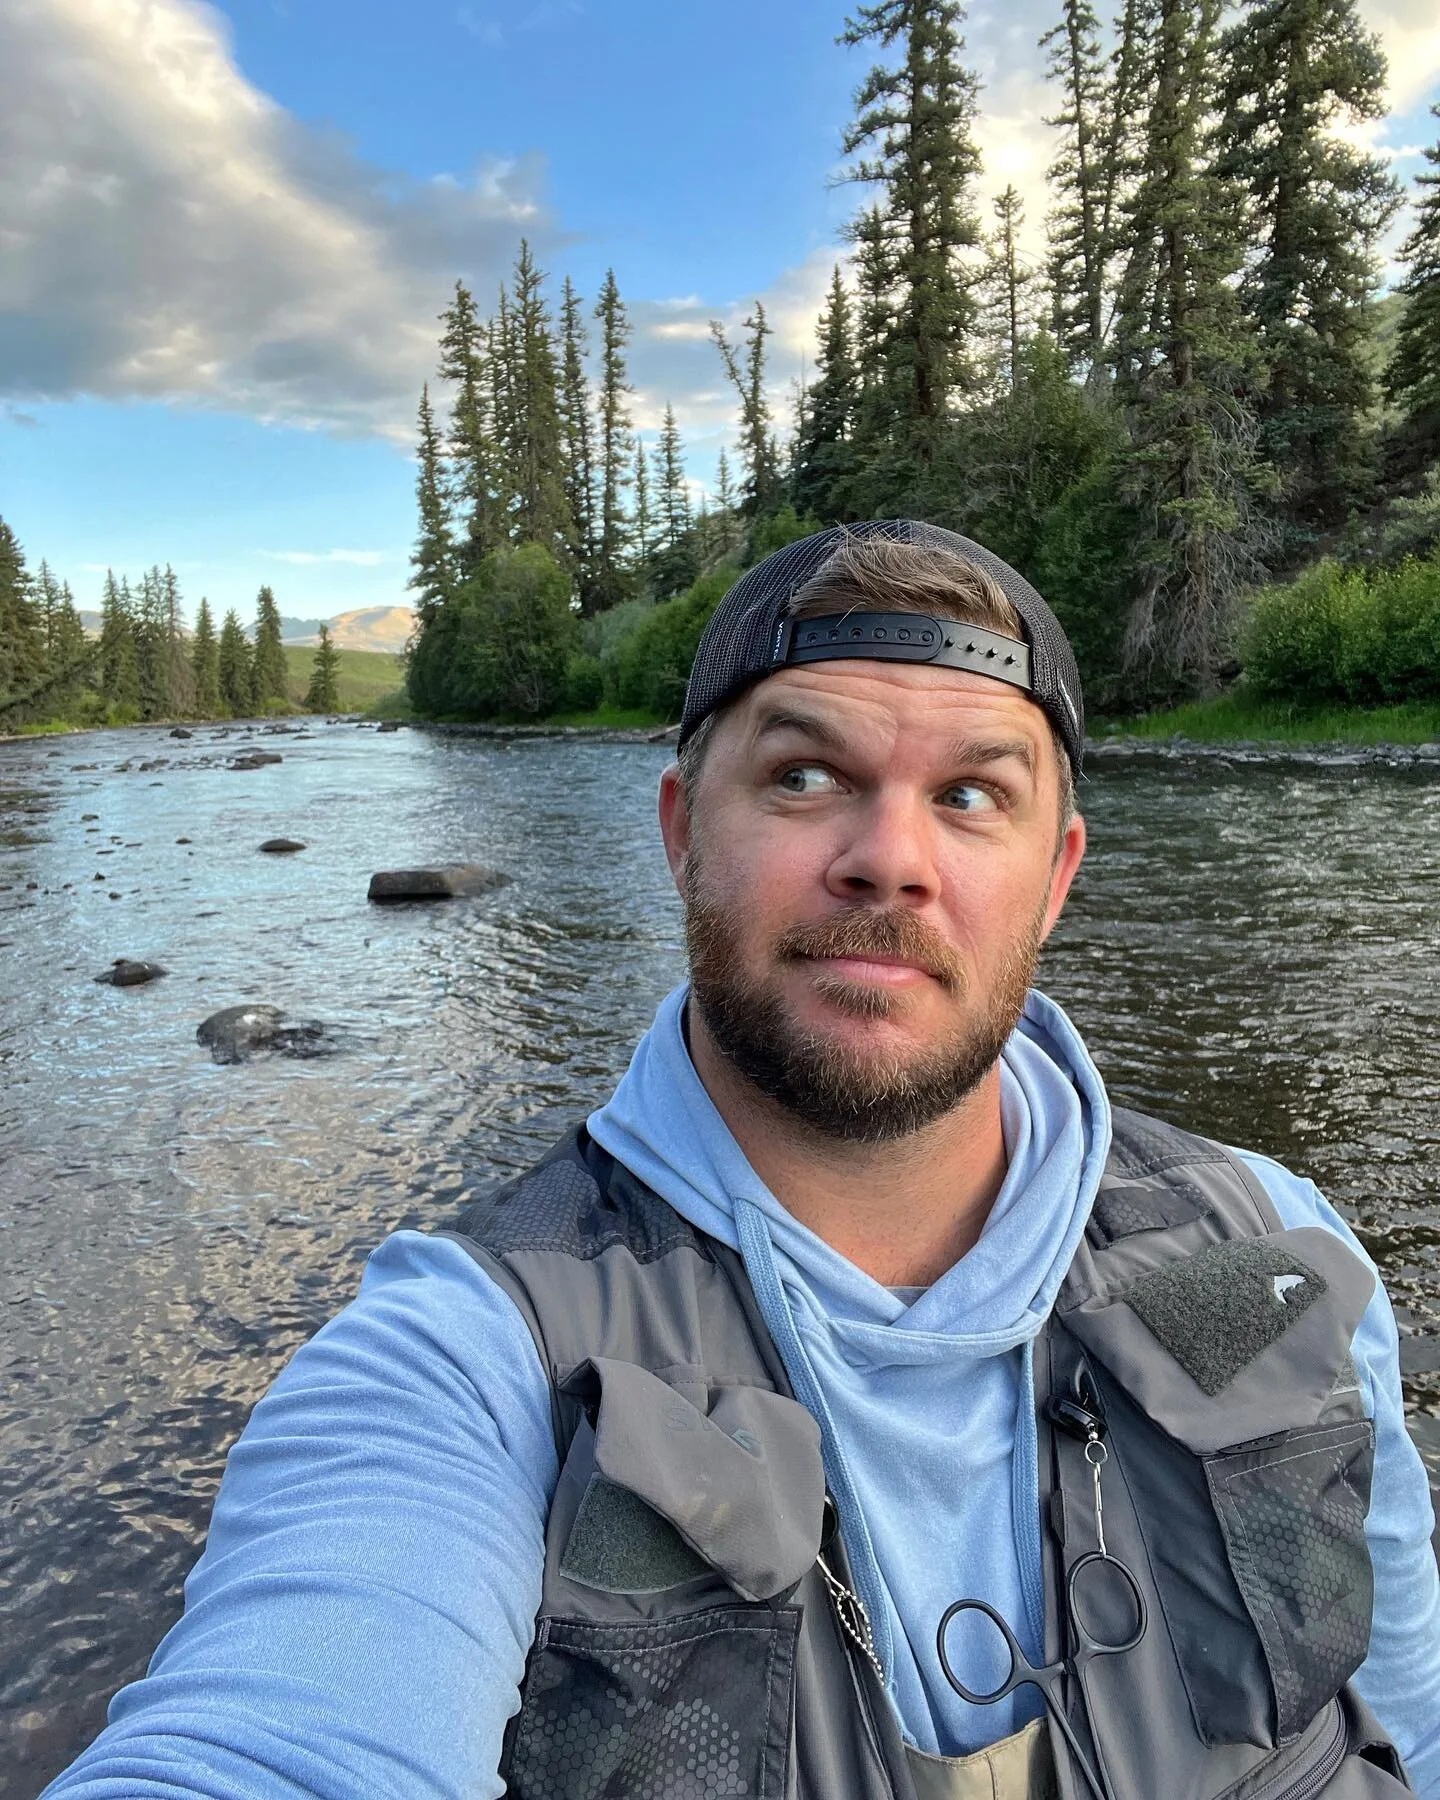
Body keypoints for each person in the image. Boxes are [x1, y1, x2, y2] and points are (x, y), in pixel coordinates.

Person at [43, 520, 1440, 1800]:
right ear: (679, 833)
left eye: (971, 795)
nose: (890, 859)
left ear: (1056, 877)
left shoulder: (1277, 1247)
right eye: (806, 776)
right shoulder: (470, 1358)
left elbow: (1415, 1724)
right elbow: (274, 1739)